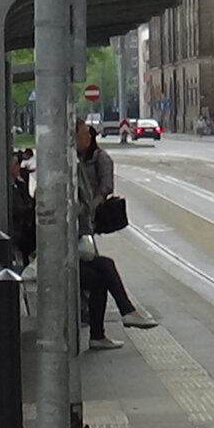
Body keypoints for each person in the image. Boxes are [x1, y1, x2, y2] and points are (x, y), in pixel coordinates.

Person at [75, 119, 157, 350]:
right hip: (69, 240)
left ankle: (105, 328)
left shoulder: (98, 158)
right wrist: (85, 209)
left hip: (83, 229)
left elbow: (106, 185)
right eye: (84, 133)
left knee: (101, 270)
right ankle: (124, 313)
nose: (89, 136)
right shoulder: (71, 164)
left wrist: (93, 206)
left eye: (89, 133)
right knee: (103, 268)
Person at [9, 153, 36, 264]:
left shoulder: (18, 182)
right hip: (18, 232)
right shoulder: (11, 188)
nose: (18, 168)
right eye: (16, 165)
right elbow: (21, 210)